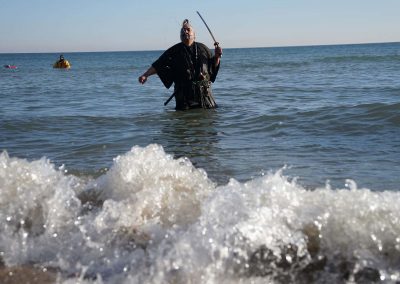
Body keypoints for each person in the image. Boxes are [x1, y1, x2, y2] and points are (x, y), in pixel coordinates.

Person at [138, 19, 222, 110]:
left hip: (205, 97)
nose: (185, 31)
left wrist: (217, 57)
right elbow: (159, 65)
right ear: (180, 36)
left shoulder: (204, 49)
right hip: (184, 98)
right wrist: (145, 75)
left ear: (194, 35)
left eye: (188, 30)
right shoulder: (173, 51)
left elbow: (213, 67)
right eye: (182, 31)